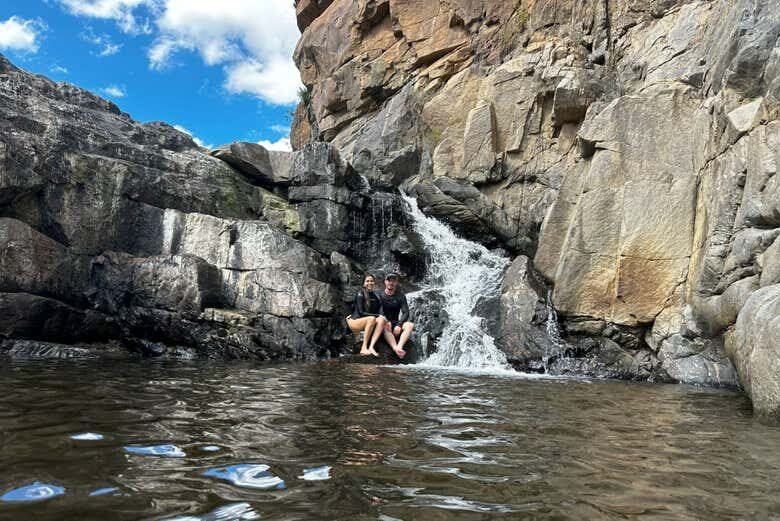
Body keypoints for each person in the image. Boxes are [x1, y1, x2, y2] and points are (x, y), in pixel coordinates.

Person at [376, 272, 414, 359]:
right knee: (384, 325)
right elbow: (378, 309)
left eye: (393, 281)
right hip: (384, 323)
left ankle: (399, 346)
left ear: (396, 283)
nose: (391, 283)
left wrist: (399, 325)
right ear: (385, 282)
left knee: (410, 325)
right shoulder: (379, 294)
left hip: (396, 323)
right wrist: (386, 321)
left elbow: (406, 312)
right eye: (389, 280)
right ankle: (395, 348)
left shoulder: (400, 296)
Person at [346, 274, 384, 356]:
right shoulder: (360, 294)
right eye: (367, 281)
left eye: (371, 281)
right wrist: (377, 315)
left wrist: (382, 318)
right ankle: (363, 348)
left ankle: (371, 346)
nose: (370, 283)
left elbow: (380, 313)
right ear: (363, 283)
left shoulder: (376, 296)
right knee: (372, 318)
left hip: (366, 322)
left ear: (374, 283)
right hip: (355, 321)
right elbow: (361, 312)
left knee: (381, 320)